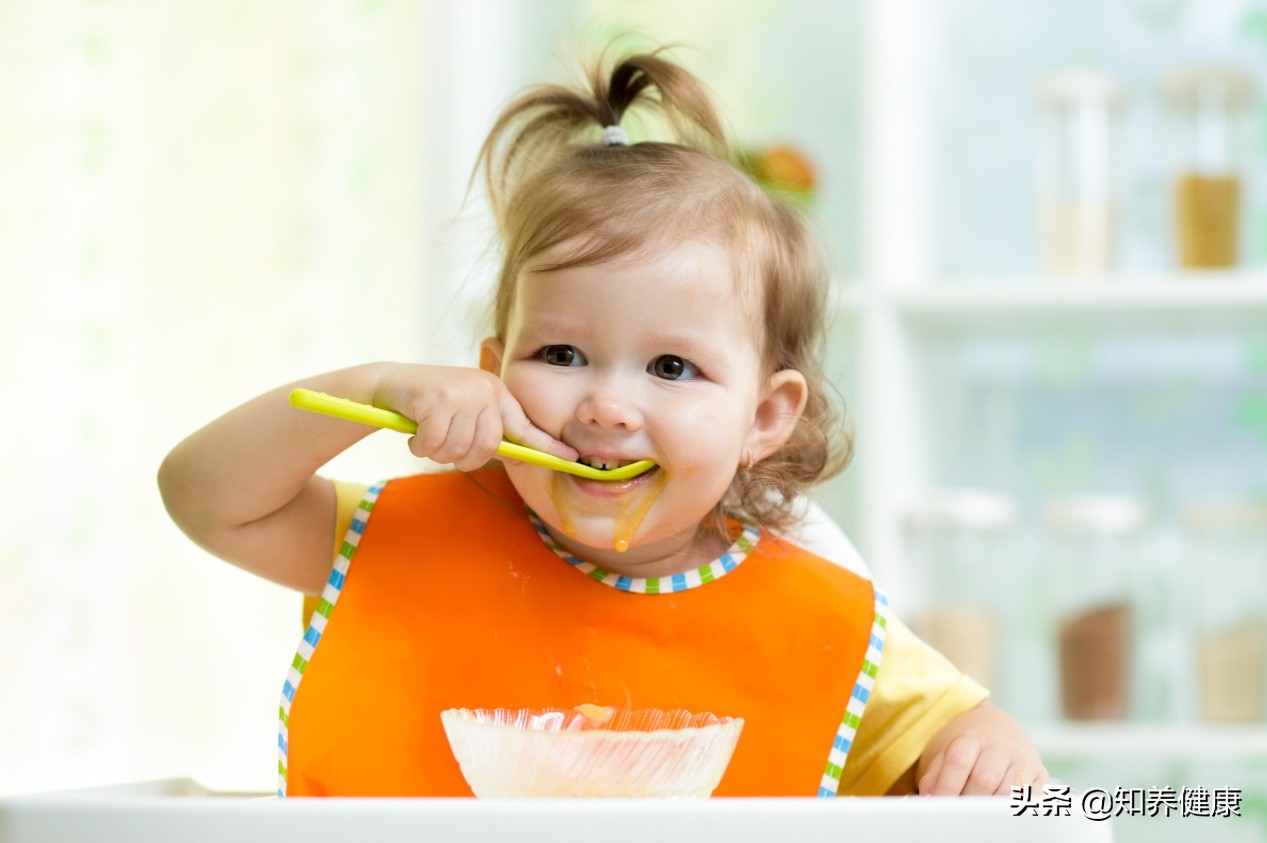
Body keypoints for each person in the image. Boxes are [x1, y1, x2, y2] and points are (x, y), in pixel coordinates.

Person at [158, 45, 1047, 799]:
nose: (605, 406)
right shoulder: (399, 537)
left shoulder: (814, 610)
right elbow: (204, 496)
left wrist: (992, 739)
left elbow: (958, 726)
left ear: (763, 417)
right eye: (561, 355)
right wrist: (371, 386)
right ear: (492, 374)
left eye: (671, 368)